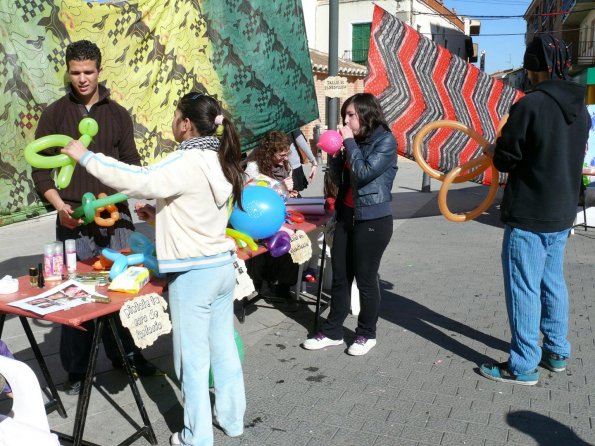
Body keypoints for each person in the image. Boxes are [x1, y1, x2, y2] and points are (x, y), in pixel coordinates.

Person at [62, 92, 246, 446]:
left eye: (175, 115)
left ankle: (196, 437)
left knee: (191, 361)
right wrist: (160, 214)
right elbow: (199, 211)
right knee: (222, 348)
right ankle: (232, 418)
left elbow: (137, 178)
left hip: (193, 276)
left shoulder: (184, 161)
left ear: (186, 123)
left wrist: (85, 157)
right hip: (221, 267)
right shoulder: (220, 159)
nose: (173, 121)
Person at [30, 40, 155, 396]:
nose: (82, 79)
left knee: (128, 290)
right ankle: (78, 370)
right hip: (73, 219)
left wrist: (132, 197)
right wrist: (60, 207)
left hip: (117, 220)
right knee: (77, 294)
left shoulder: (117, 114)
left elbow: (131, 164)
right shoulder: (55, 114)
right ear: (67, 72)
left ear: (100, 71)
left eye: (88, 72)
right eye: (75, 72)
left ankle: (129, 354)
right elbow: (40, 172)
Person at [479, 34, 590, 385]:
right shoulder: (581, 110)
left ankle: (523, 364)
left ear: (534, 69)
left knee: (524, 287)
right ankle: (557, 351)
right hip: (562, 212)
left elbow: (505, 158)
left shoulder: (529, 105)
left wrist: (497, 146)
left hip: (529, 213)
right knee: (552, 282)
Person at [302, 93, 398, 356]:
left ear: (366, 114)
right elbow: (338, 178)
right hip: (346, 215)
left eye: (351, 115)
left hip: (373, 219)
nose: (345, 120)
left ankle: (366, 333)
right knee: (341, 277)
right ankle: (333, 331)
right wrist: (334, 155)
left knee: (365, 279)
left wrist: (348, 144)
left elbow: (365, 173)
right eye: (345, 115)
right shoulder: (353, 142)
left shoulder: (385, 140)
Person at [244, 130, 301, 303]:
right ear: (269, 152)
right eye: (281, 155)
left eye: (286, 154)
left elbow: (283, 193)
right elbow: (250, 193)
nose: (284, 159)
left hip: (281, 214)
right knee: (265, 246)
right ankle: (260, 282)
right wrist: (280, 187)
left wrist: (290, 192)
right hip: (258, 217)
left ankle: (283, 285)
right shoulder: (253, 167)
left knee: (293, 240)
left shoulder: (285, 165)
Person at [287, 128, 318, 194]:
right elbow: (299, 139)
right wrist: (313, 161)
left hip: (272, 163)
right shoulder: (289, 119)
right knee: (294, 197)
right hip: (292, 163)